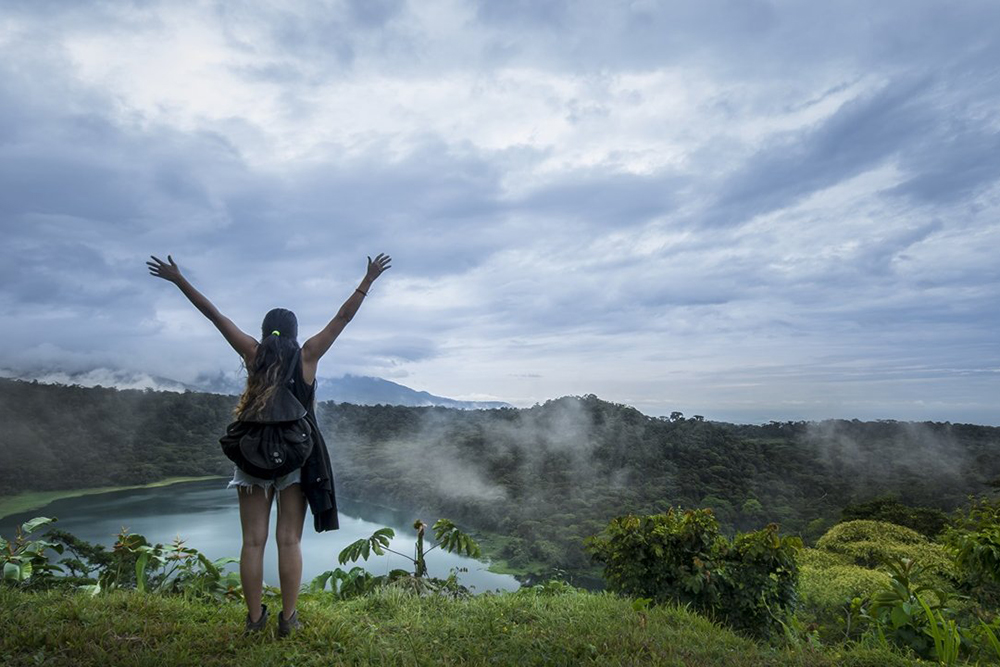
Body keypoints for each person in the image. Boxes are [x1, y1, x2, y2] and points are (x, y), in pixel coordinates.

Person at [147, 252, 392, 636]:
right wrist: (369, 279)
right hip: (295, 457)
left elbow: (214, 316)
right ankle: (288, 619)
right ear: (294, 332)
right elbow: (343, 318)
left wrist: (179, 280)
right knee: (288, 540)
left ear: (265, 332)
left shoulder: (253, 353)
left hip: (252, 458)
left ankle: (254, 620)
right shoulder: (308, 355)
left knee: (252, 542)